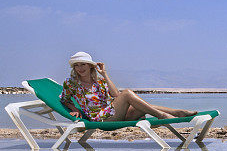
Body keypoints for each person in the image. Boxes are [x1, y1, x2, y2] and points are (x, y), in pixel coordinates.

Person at [60, 51, 196, 122]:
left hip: (113, 112)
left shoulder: (99, 82)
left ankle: (178, 112)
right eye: (76, 65)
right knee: (127, 93)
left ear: (90, 66)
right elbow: (64, 99)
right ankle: (162, 116)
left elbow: (115, 96)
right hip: (99, 118)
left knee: (140, 105)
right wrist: (74, 109)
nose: (80, 68)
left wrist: (105, 75)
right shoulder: (71, 83)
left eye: (83, 64)